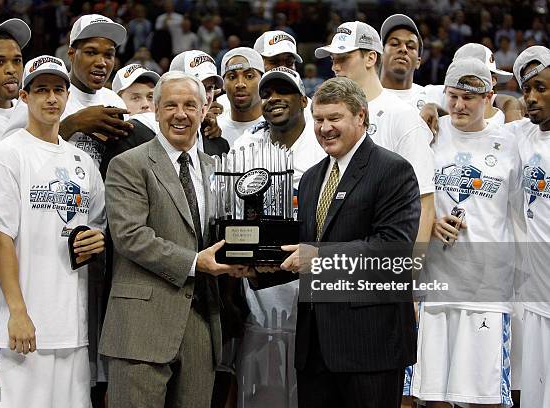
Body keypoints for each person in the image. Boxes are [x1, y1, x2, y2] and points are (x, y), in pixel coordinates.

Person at [255, 76, 420, 407]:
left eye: (334, 118)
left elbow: (392, 250)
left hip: (369, 347)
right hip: (315, 348)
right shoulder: (313, 177)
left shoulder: (393, 170)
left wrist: (317, 257)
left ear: (360, 116)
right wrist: (258, 266)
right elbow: (301, 248)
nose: (324, 128)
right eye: (318, 119)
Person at [100, 71, 247, 406]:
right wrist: (196, 263)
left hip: (201, 326)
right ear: (155, 109)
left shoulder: (215, 168)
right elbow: (130, 236)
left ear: (204, 108)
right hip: (141, 328)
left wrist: (243, 261)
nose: (180, 114)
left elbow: (223, 236)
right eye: (171, 105)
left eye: (190, 105)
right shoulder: (129, 164)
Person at [0, 55, 106, 408]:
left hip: (72, 331)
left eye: (58, 90)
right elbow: (1, 238)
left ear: (67, 96)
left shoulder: (84, 163)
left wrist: (97, 239)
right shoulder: (8, 154)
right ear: (24, 96)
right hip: (21, 330)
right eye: (42, 90)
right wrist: (17, 313)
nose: (51, 98)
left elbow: (95, 227)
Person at [411, 58, 522, 408]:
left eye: (468, 98)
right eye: (453, 96)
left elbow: (520, 216)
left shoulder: (511, 142)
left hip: (487, 289)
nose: (458, 105)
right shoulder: (429, 134)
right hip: (436, 286)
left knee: (484, 397)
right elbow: (407, 199)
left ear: (488, 97)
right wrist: (428, 223)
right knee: (434, 397)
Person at [234, 67, 326, 407]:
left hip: (310, 289)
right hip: (260, 290)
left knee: (308, 392)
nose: (273, 98)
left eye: (283, 91)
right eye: (267, 93)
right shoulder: (247, 145)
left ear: (304, 100)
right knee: (263, 392)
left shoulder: (322, 146)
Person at [315, 20, 435, 245]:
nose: (335, 67)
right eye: (333, 60)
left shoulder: (402, 116)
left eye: (344, 58)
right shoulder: (326, 119)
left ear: (371, 58)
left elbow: (424, 202)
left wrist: (411, 270)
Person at [4, 14, 132, 168]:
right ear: (71, 54)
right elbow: (9, 151)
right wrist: (72, 124)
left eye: (108, 55)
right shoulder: (43, 95)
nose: (101, 62)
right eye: (91, 52)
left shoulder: (114, 101)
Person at [510, 45, 550, 408]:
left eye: (541, 87)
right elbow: (476, 117)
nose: (532, 98)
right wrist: (431, 109)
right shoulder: (521, 136)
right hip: (538, 295)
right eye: (527, 90)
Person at [169, 50, 230, 156]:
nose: (205, 97)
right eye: (198, 87)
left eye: (209, 88)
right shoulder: (148, 133)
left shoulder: (220, 145)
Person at [217, 47, 265, 146]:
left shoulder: (277, 127)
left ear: (263, 81)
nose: (240, 84)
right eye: (232, 77)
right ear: (223, 85)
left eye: (249, 76)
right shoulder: (214, 130)